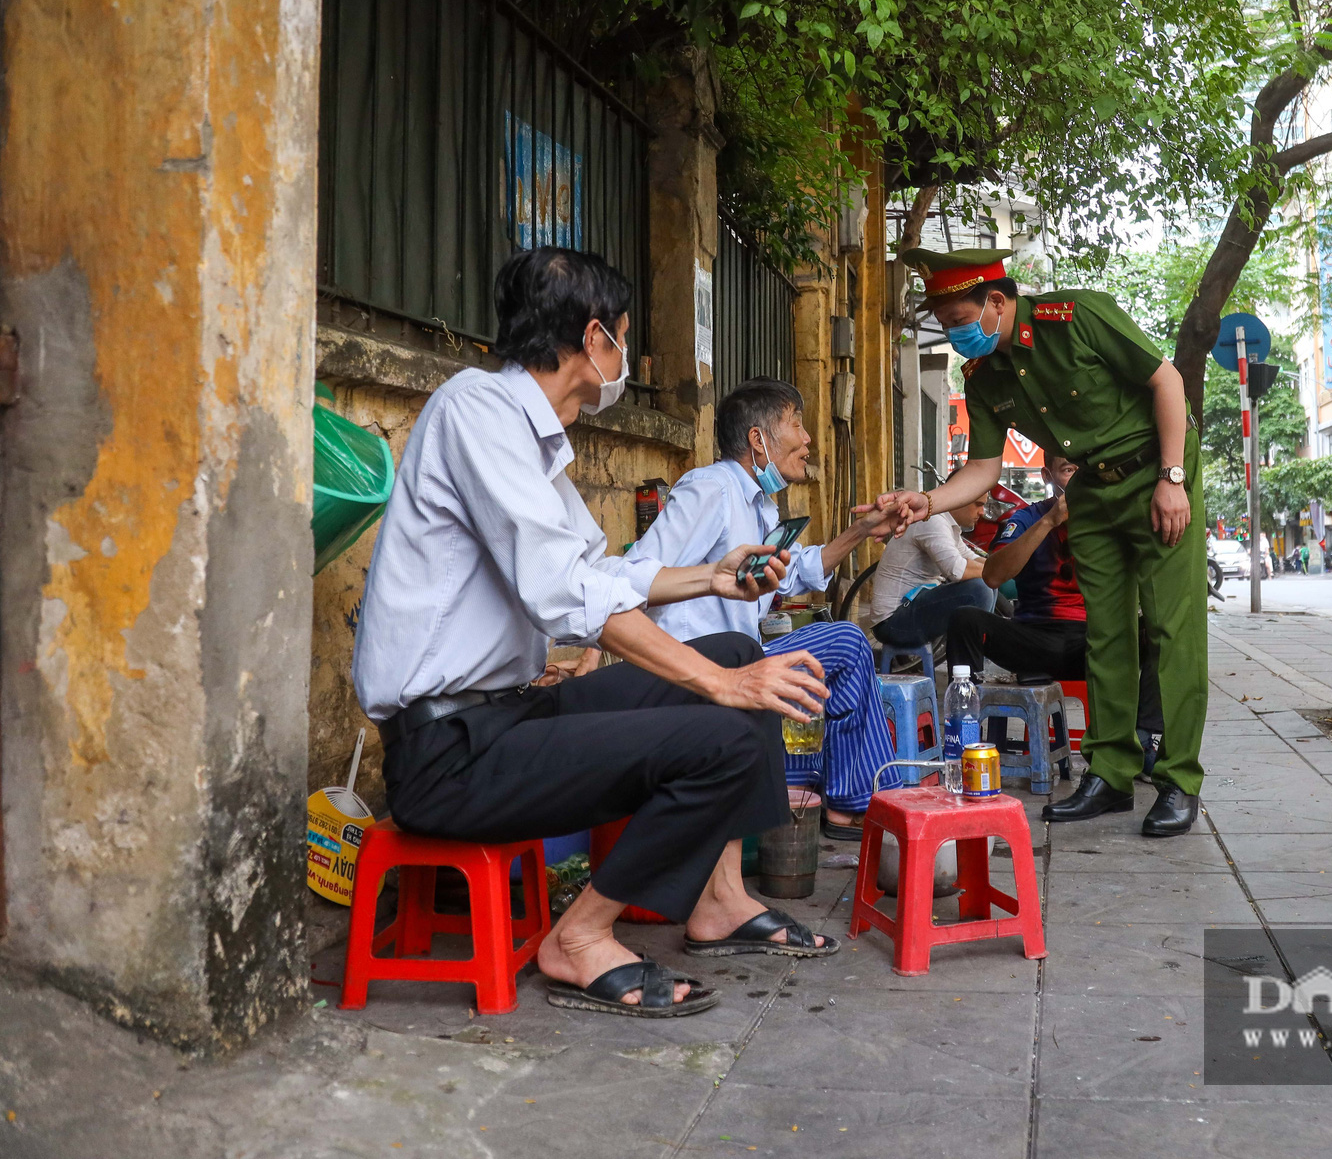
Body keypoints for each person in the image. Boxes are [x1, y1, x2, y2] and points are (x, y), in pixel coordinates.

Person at [352, 247, 837, 1021]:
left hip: (509, 716)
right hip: (449, 754)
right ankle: (578, 937)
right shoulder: (475, 411)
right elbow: (564, 594)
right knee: (727, 722)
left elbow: (598, 571)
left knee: (740, 647)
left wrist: (711, 578)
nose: (626, 357)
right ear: (593, 340)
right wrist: (717, 686)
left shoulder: (529, 439)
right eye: (621, 336)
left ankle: (719, 902)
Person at [874, 246, 1208, 838]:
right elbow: (981, 469)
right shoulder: (983, 377)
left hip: (1154, 475)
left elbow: (1167, 379)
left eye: (958, 322)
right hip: (1091, 496)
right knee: (1105, 633)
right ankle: (1109, 774)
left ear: (996, 302)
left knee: (1169, 628)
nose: (954, 336)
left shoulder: (1075, 317)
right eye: (945, 325)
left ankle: (1179, 781)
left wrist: (1173, 478)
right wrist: (930, 502)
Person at [627, 377, 905, 840]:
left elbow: (796, 570)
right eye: (795, 423)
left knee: (823, 654)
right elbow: (638, 570)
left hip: (742, 652)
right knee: (848, 641)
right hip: (698, 658)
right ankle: (855, 802)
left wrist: (863, 530)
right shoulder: (711, 488)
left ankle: (812, 791)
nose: (807, 438)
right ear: (759, 439)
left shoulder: (762, 506)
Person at [944, 453, 1165, 772]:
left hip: (1094, 643)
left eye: (1083, 470)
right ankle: (965, 737)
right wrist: (1048, 523)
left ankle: (1144, 740)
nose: (1077, 480)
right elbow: (993, 576)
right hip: (1033, 639)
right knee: (964, 618)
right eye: (1067, 470)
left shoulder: (1114, 521)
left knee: (1159, 629)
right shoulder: (1027, 516)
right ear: (1048, 475)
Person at [869, 495, 995, 650]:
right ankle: (967, 664)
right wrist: (994, 572)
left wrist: (1001, 569)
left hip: (908, 608)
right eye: (978, 504)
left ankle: (974, 657)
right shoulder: (933, 520)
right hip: (891, 622)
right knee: (979, 589)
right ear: (960, 500)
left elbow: (970, 557)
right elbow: (956, 570)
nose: (982, 512)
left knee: (990, 582)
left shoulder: (947, 524)